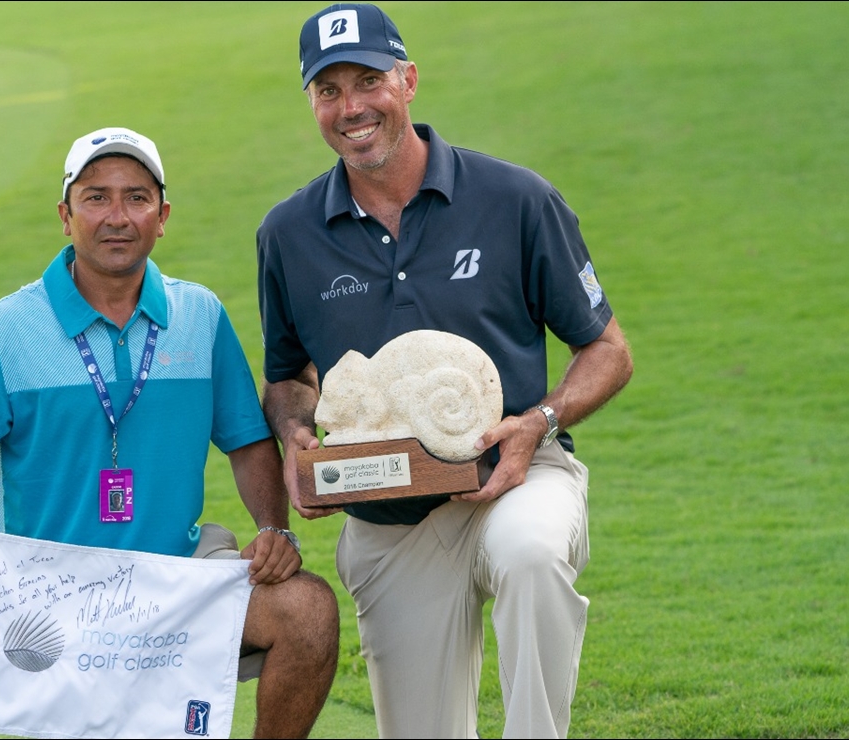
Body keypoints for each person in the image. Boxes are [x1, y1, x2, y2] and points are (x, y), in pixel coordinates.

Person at [257, 5, 635, 739]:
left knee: (529, 556)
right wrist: (297, 432)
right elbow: (287, 376)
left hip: (515, 476)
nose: (351, 107)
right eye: (327, 90)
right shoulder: (287, 232)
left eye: (368, 80)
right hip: (387, 517)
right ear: (311, 102)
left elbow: (607, 350)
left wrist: (539, 424)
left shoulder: (515, 199)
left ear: (408, 80)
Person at [0, 126, 339, 739]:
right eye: (96, 197)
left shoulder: (200, 316)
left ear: (162, 217)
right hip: (55, 596)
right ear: (65, 214)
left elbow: (247, 443)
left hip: (174, 582)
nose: (117, 216)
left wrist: (273, 528)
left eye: (136, 198)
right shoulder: (4, 330)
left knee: (307, 610)